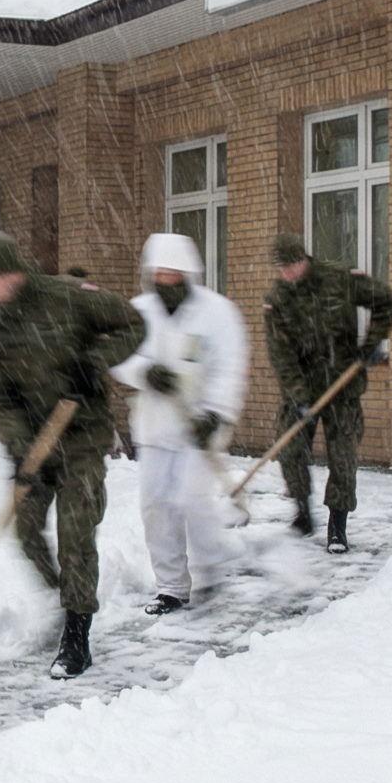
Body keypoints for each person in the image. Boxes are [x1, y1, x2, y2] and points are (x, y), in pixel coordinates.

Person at [0, 232, 145, 678]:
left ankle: (77, 633)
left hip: (82, 437)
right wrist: (28, 450)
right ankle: (66, 593)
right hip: (32, 443)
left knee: (75, 532)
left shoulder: (67, 296)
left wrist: (95, 361)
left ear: (13, 274)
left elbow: (134, 324)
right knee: (25, 532)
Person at [110, 233, 249, 615]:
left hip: (200, 426)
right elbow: (115, 354)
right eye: (160, 275)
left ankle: (210, 573)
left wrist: (216, 413)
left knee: (191, 499)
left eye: (175, 275)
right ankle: (171, 586)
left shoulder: (218, 313)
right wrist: (144, 372)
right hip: (155, 426)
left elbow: (230, 368)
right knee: (156, 504)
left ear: (188, 274)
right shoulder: (138, 312)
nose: (167, 282)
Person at [262, 234, 392, 552]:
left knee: (343, 457)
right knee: (290, 449)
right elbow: (280, 353)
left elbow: (384, 300)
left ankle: (337, 527)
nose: (287, 274)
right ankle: (302, 512)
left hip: (342, 385)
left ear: (304, 260)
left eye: (291, 266)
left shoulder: (338, 278)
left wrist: (371, 343)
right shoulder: (278, 298)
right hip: (301, 387)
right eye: (282, 269)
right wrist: (298, 395)